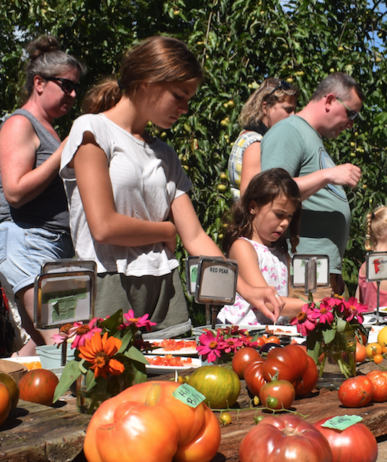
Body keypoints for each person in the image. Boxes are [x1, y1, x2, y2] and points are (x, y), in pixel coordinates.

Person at [60, 37, 281, 337]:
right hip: (109, 283)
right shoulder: (91, 130)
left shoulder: (165, 153)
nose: (185, 108)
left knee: (172, 379)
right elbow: (103, 226)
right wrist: (166, 231)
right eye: (179, 96)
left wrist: (248, 289)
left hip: (165, 286)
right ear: (149, 81)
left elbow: (196, 236)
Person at [0, 35, 84, 355]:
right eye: (66, 85)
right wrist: (63, 151)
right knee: (64, 342)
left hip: (53, 246)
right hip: (28, 242)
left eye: (76, 88)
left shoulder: (49, 128)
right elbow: (15, 192)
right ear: (39, 83)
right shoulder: (20, 124)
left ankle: (11, 390)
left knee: (37, 345)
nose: (73, 94)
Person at [260, 72, 364, 299]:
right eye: (351, 113)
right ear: (329, 101)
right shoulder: (289, 130)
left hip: (324, 272)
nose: (351, 123)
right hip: (306, 272)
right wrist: (328, 175)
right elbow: (272, 191)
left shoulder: (311, 137)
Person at [217, 169, 306, 325]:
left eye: (290, 216)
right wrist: (319, 305)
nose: (285, 222)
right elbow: (268, 302)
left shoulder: (280, 253)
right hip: (242, 334)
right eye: (279, 214)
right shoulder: (242, 248)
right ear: (253, 207)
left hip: (270, 334)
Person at [227, 78, 298, 198]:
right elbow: (251, 197)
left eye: (295, 110)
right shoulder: (256, 144)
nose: (294, 116)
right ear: (266, 108)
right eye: (288, 110)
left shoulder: (247, 135)